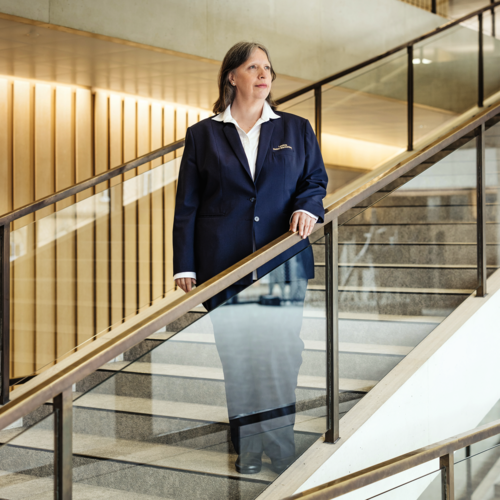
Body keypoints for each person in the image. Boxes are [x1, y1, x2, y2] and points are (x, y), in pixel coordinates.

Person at [173, 41, 328, 475]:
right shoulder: (204, 134)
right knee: (238, 358)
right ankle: (247, 448)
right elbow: (188, 204)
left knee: (280, 354)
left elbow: (315, 180)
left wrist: (308, 206)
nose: (264, 74)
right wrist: (184, 264)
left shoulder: (295, 129)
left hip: (282, 262)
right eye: (253, 67)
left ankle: (279, 449)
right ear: (232, 76)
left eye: (268, 68)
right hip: (224, 265)